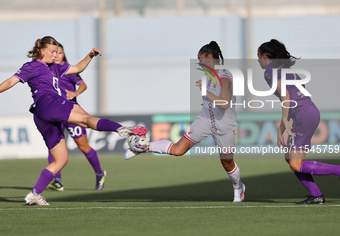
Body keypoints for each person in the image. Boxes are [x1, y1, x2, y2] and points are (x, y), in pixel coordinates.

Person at [0, 36, 147, 205]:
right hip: (50, 103)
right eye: (52, 52)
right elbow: (11, 81)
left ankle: (34, 194)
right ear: (41, 50)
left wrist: (90, 56)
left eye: (57, 52)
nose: (55, 55)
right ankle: (121, 129)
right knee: (86, 119)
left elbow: (78, 68)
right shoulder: (31, 66)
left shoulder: (56, 68)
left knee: (61, 160)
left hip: (41, 116)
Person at [125, 41, 245, 202]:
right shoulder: (207, 77)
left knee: (227, 163)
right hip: (205, 120)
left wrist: (205, 92)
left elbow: (224, 103)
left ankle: (238, 187)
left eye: (201, 59)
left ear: (210, 57)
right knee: (177, 150)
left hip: (224, 124)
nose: (199, 63)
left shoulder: (224, 75)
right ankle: (143, 147)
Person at [257, 39, 340, 204]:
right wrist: (283, 128)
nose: (258, 60)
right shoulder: (284, 68)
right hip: (309, 111)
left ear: (265, 56)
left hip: (302, 113)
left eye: (258, 56)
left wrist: (284, 120)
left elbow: (285, 96)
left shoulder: (270, 71)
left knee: (295, 164)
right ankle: (316, 195)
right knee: (291, 158)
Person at [46, 43, 105, 192]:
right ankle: (57, 181)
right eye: (55, 52)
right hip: (55, 114)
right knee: (53, 145)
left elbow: (83, 85)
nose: (57, 55)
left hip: (72, 113)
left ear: (63, 54)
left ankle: (99, 173)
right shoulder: (47, 70)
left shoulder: (67, 69)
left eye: (60, 52)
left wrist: (75, 93)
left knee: (83, 146)